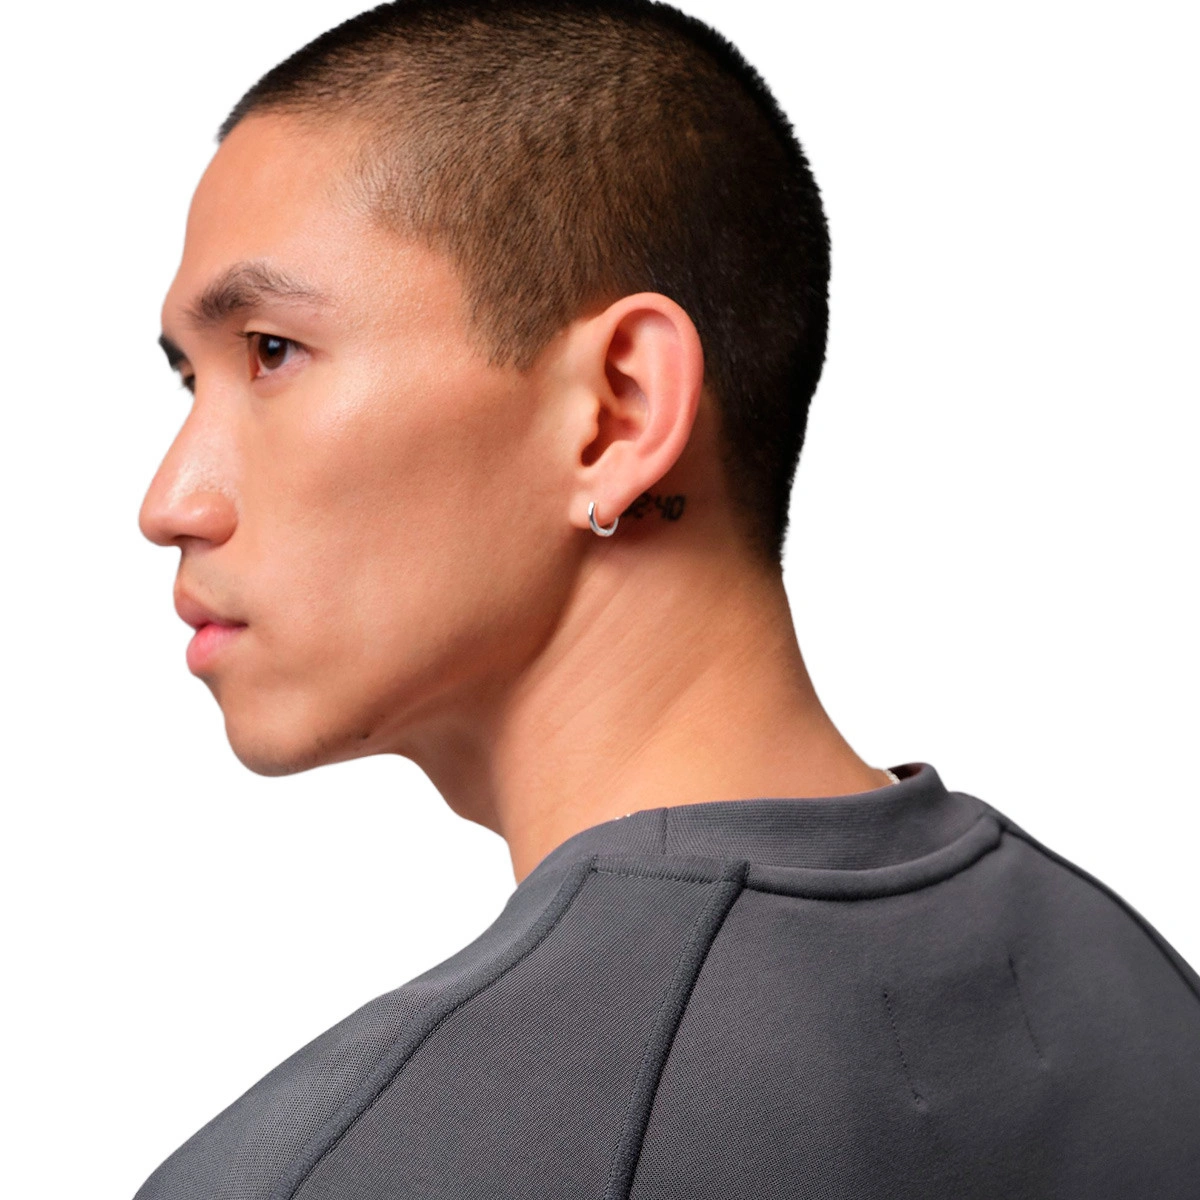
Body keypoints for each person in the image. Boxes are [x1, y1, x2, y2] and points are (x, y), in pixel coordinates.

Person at [133, 1, 1200, 1197]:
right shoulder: (1150, 1002)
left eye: (270, 351)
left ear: (619, 413)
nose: (171, 501)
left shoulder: (329, 1170)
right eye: (188, 380)